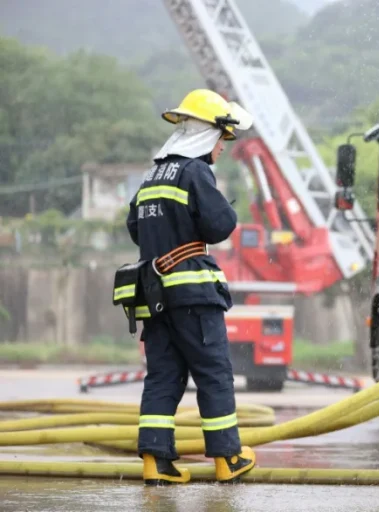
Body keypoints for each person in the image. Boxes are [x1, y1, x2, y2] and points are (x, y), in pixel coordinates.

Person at [124, 89, 256, 486]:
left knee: (163, 376)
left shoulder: (151, 177)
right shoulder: (195, 173)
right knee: (214, 373)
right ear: (205, 134)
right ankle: (227, 457)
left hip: (155, 298)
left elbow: (134, 228)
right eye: (221, 139)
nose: (221, 148)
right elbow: (220, 226)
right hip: (193, 295)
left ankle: (157, 461)